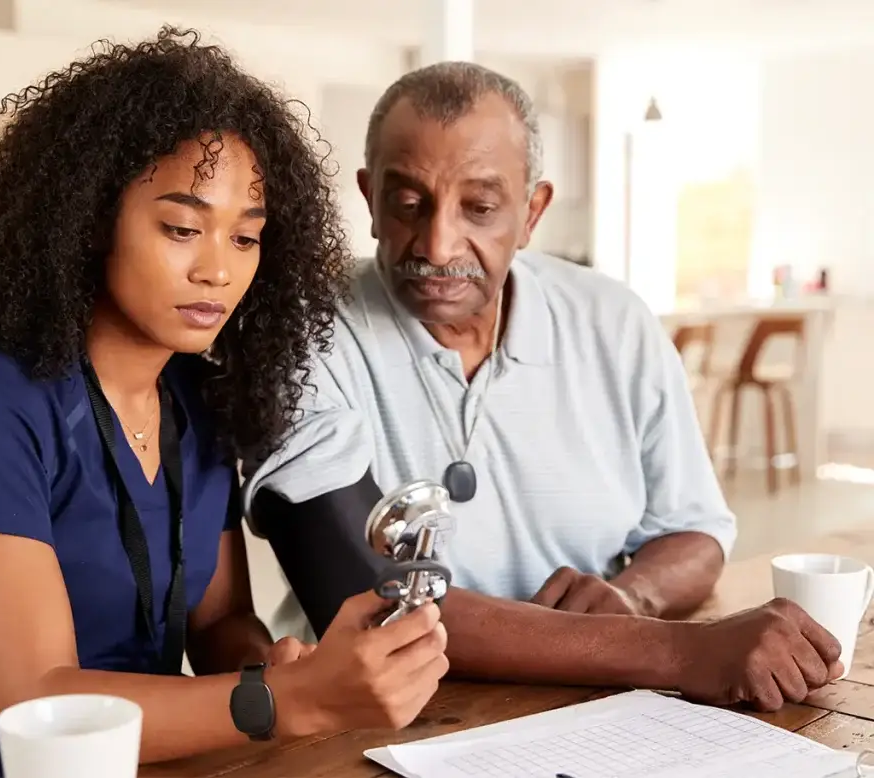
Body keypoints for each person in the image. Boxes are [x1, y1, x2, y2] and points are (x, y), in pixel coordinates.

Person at [0, 28, 448, 778]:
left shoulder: (193, 400)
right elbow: (39, 700)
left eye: (247, 238)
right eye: (182, 229)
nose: (218, 271)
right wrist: (288, 702)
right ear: (91, 219)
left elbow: (220, 622)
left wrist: (282, 667)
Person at [243, 61, 843, 712]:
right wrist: (679, 651)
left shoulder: (615, 322)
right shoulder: (298, 330)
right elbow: (364, 589)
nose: (440, 244)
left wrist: (632, 598)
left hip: (591, 711)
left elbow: (694, 532)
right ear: (368, 198)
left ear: (532, 211)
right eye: (409, 202)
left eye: (479, 207)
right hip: (367, 722)